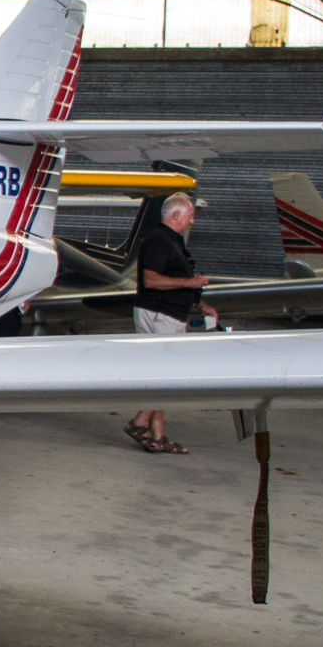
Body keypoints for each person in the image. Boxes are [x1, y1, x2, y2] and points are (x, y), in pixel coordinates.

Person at [126, 193, 216, 454]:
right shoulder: (158, 239)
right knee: (168, 375)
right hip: (160, 315)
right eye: (189, 215)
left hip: (166, 313)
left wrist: (199, 304)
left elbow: (170, 279)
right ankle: (140, 421)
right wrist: (190, 284)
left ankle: (157, 436)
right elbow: (151, 280)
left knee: (161, 375)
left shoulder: (171, 240)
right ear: (175, 215)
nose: (192, 221)